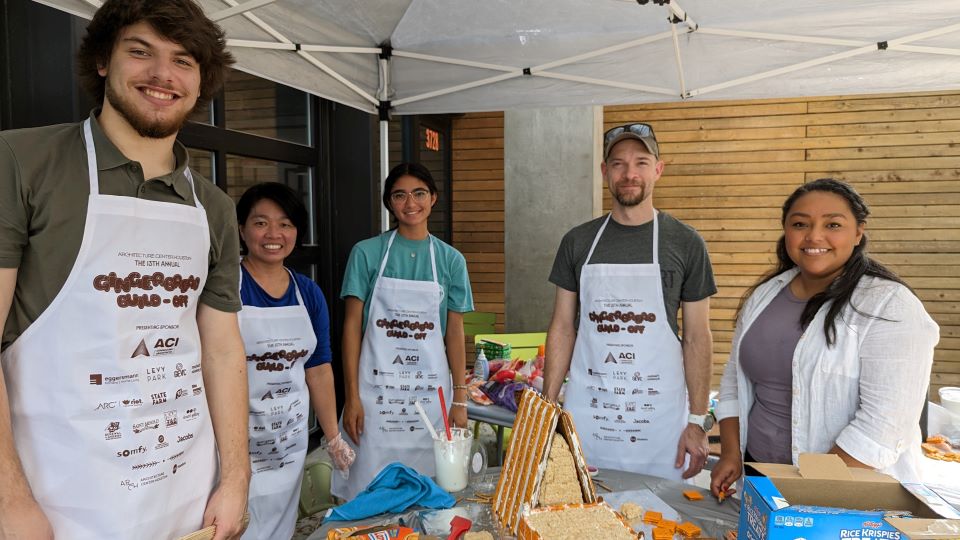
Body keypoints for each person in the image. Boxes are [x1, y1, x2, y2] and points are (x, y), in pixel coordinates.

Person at [0, 1, 250, 538]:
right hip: (55, 504)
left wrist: (235, 479)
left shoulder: (215, 207)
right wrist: (9, 501)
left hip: (186, 499)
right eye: (141, 52)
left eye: (183, 61)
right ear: (102, 62)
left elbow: (223, 349)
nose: (162, 74)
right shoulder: (22, 162)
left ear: (201, 80)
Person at [710, 178, 939, 496]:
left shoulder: (890, 306)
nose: (814, 236)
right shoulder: (765, 295)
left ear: (858, 232)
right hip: (758, 475)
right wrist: (732, 453)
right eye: (800, 223)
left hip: (846, 495)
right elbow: (734, 381)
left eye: (833, 224)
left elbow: (881, 430)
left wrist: (803, 491)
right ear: (786, 231)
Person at [543, 123, 717, 481]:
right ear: (605, 172)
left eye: (641, 162)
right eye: (618, 164)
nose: (629, 174)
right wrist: (547, 407)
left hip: (660, 422)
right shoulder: (577, 241)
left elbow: (698, 337)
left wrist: (698, 421)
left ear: (658, 169)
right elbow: (562, 326)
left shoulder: (685, 243)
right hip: (589, 415)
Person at [333, 162, 474, 501]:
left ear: (433, 198)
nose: (410, 202)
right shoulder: (366, 253)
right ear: (389, 203)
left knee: (429, 492)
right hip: (374, 399)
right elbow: (351, 327)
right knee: (370, 492)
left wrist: (460, 399)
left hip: (431, 399)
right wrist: (351, 397)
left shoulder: (451, 260)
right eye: (400, 195)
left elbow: (454, 332)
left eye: (419, 193)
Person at [236, 183, 355, 539]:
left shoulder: (308, 292)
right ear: (242, 229)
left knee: (280, 527)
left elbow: (318, 369)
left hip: (288, 442)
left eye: (285, 224)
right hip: (235, 444)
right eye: (261, 223)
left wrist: (333, 438)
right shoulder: (226, 286)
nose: (274, 234)